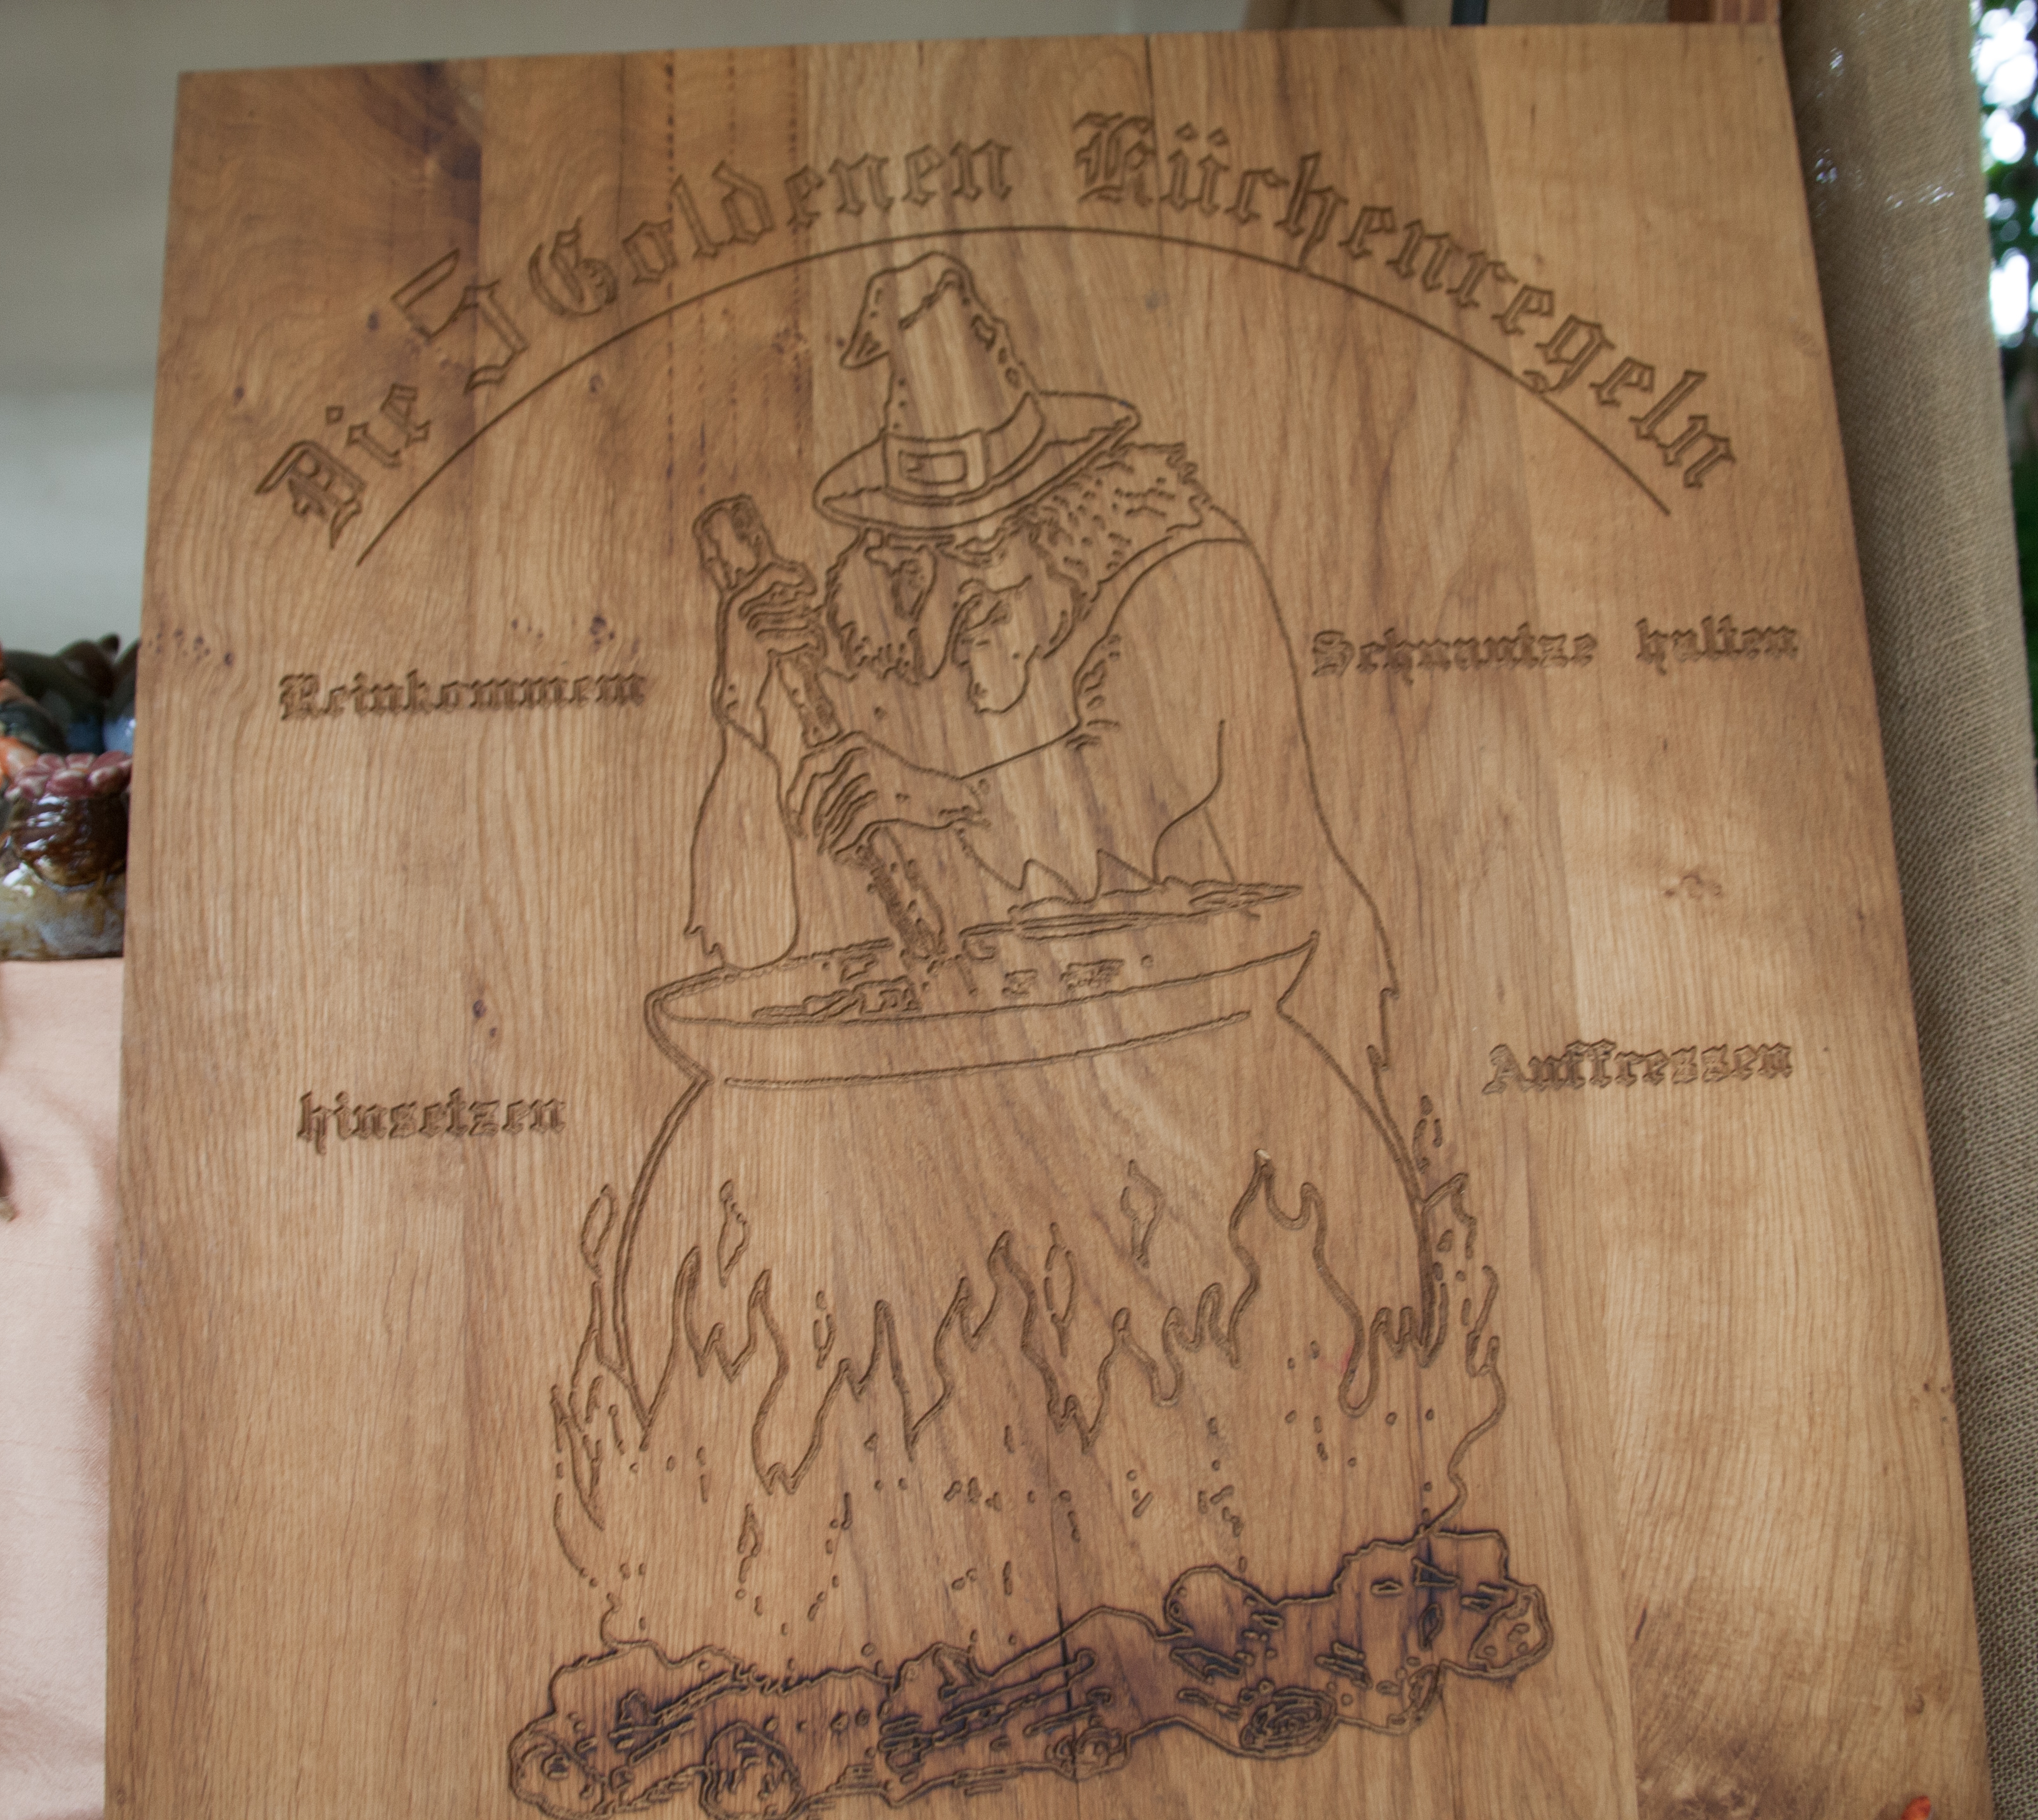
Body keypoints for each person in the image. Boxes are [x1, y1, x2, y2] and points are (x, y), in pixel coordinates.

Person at [535, 256, 1535, 1804]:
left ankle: (1204, 1610)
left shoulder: (1181, 576)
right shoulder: (857, 622)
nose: (938, 574)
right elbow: (745, 919)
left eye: (974, 533)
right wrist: (777, 742)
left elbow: (1135, 829)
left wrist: (928, 796)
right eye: (913, 538)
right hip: (906, 1097)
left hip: (1193, 1075)